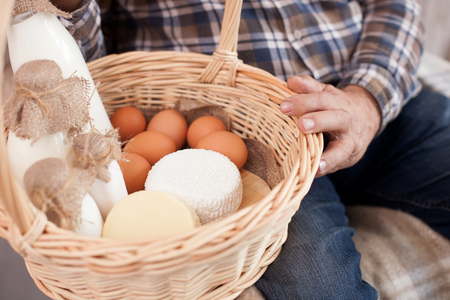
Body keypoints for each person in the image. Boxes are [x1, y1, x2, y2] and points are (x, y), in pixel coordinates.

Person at [51, 0, 450, 299]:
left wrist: (367, 99)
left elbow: (395, 5)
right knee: (323, 290)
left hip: (364, 94)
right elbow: (87, 79)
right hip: (257, 146)